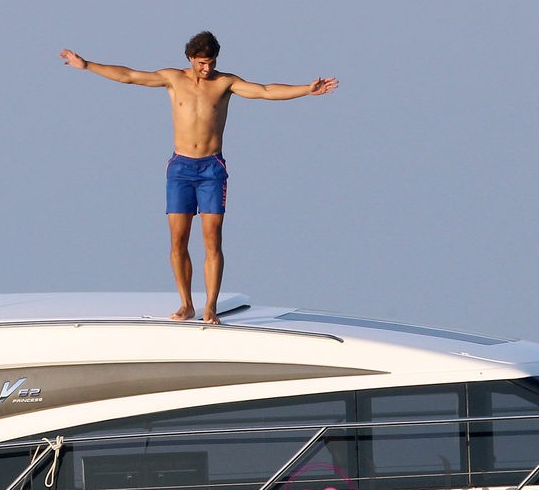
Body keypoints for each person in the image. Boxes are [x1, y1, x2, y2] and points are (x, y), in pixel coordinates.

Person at [60, 31, 338, 324]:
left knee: (212, 240)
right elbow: (128, 75)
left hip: (211, 169)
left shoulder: (224, 83)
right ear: (191, 59)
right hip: (180, 168)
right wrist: (87, 64)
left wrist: (306, 89)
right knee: (178, 241)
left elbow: (265, 90)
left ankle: (211, 308)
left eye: (211, 62)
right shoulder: (173, 78)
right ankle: (186, 304)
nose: (207, 69)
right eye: (202, 63)